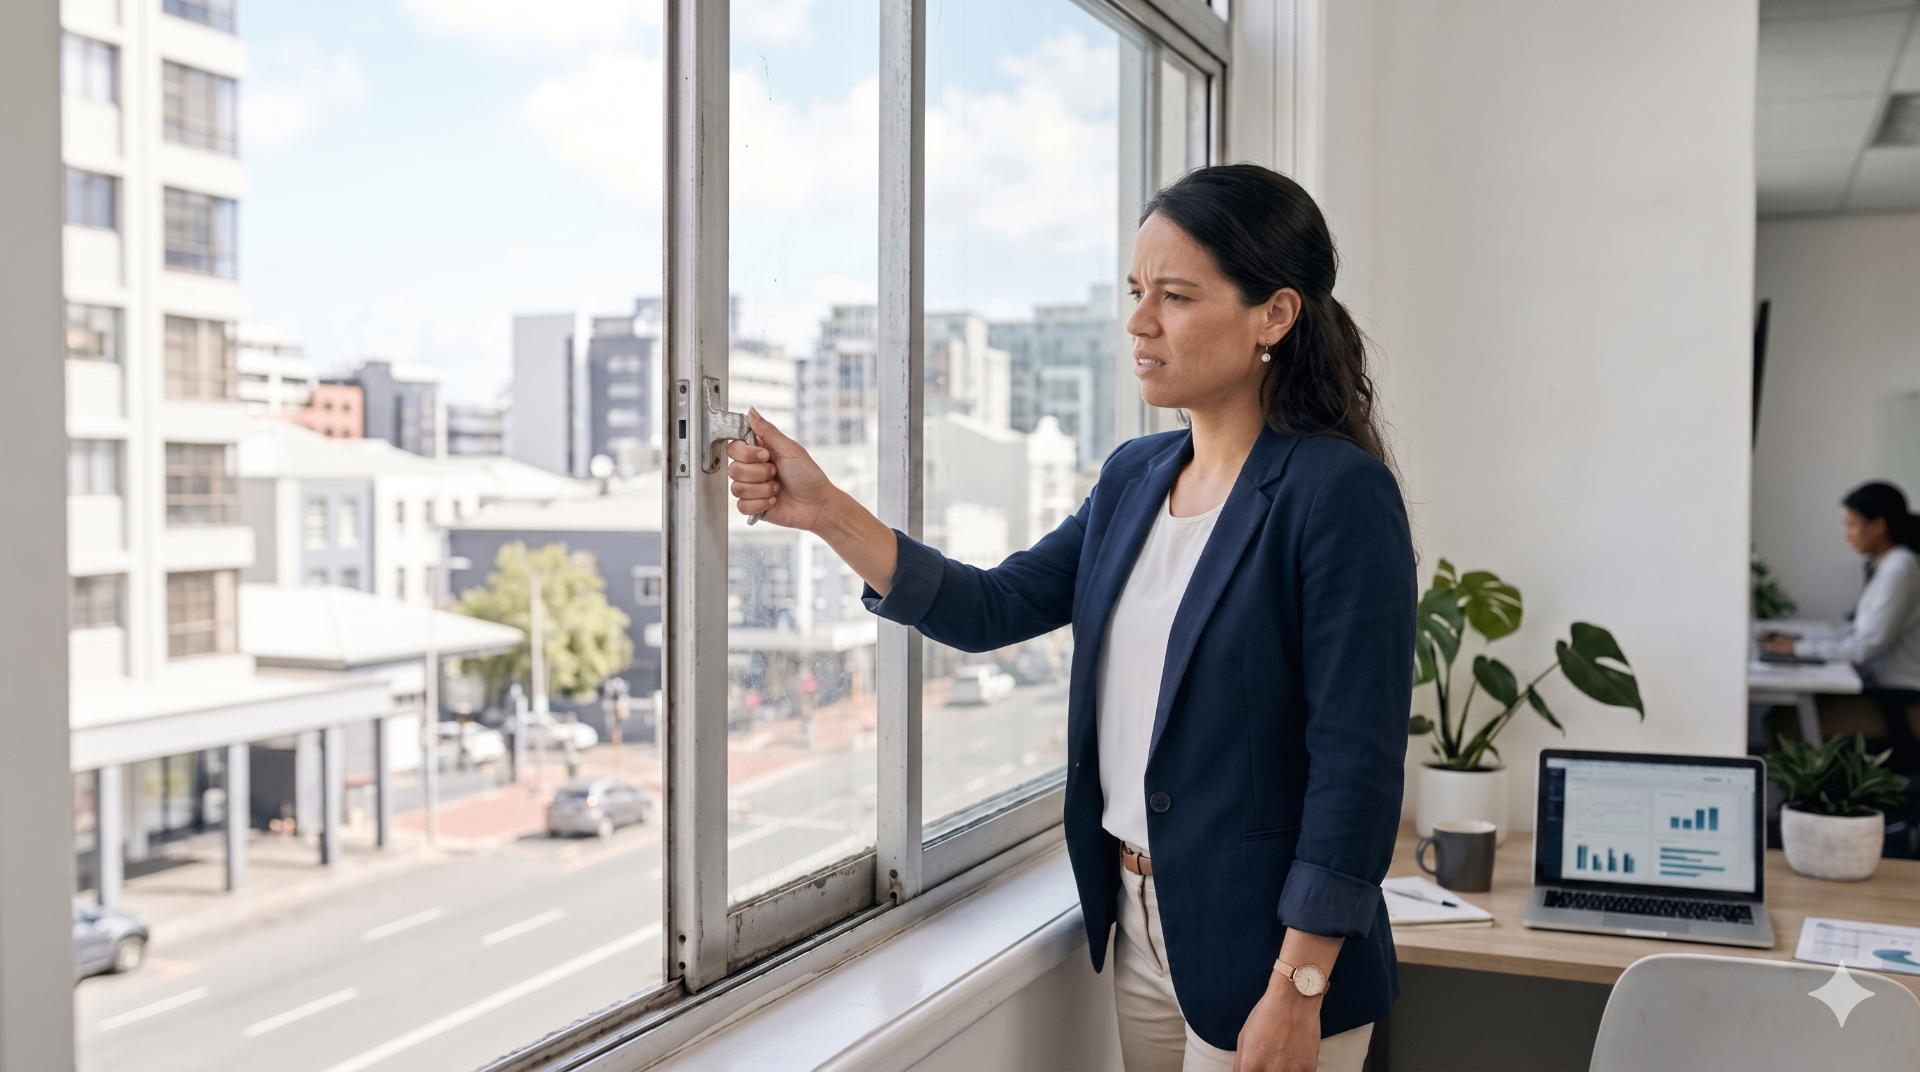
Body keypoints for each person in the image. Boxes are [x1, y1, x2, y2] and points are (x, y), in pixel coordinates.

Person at [726, 164, 1414, 1072]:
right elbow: (993, 605)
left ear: (1274, 316)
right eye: (1137, 292)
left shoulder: (1336, 494)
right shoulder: (1135, 475)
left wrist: (1298, 987)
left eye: (1174, 296)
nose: (1138, 323)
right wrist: (825, 512)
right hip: (1139, 926)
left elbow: (1355, 769)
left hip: (1273, 952)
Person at [1765, 482, 1920, 763]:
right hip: (1883, 691)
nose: (1847, 535)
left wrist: (1798, 650)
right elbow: (1859, 632)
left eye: (1852, 525)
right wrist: (1799, 643)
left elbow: (1866, 646)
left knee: (1787, 721)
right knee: (1782, 714)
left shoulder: (1900, 568)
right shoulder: (1888, 564)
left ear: (1878, 525)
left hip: (1899, 699)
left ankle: (1801, 803)